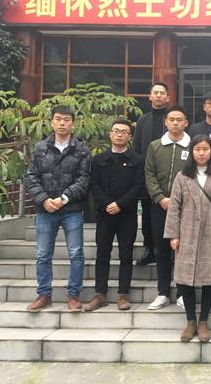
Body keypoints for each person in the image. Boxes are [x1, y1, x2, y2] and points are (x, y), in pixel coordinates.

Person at [165, 135, 211, 343]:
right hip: (187, 231)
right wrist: (173, 234)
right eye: (197, 149)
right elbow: (174, 206)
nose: (201, 153)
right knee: (186, 278)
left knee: (209, 278)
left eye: (205, 149)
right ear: (191, 152)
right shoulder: (182, 176)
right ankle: (190, 320)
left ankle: (203, 321)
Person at [25, 105, 91, 312]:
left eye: (66, 119)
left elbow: (84, 179)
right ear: (52, 122)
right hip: (45, 210)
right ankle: (44, 294)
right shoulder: (40, 148)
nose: (62, 123)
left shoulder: (81, 149)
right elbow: (31, 177)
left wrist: (64, 198)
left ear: (73, 123)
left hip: (72, 209)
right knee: (43, 254)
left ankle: (73, 295)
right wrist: (44, 199)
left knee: (76, 253)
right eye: (58, 119)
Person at [84, 118, 144, 312]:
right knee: (102, 253)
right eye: (116, 131)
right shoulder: (98, 159)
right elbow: (93, 184)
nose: (119, 135)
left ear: (130, 137)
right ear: (110, 134)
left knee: (126, 254)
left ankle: (123, 294)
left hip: (127, 214)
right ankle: (100, 293)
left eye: (124, 132)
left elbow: (138, 186)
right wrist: (107, 204)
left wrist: (120, 204)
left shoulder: (137, 160)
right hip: (104, 213)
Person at [145, 105, 190, 310]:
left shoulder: (192, 146)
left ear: (186, 123)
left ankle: (182, 292)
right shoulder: (155, 146)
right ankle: (163, 292)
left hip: (185, 207)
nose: (175, 123)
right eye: (172, 119)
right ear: (166, 122)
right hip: (160, 206)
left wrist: (182, 200)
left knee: (182, 250)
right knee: (161, 249)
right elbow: (149, 174)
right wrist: (160, 198)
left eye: (179, 120)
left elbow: (195, 174)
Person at [133, 82, 171, 266]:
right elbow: (136, 148)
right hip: (147, 175)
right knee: (147, 214)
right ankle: (150, 248)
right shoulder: (143, 120)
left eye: (162, 93)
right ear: (150, 97)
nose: (158, 96)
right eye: (155, 93)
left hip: (169, 174)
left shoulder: (172, 118)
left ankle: (169, 250)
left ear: (168, 97)